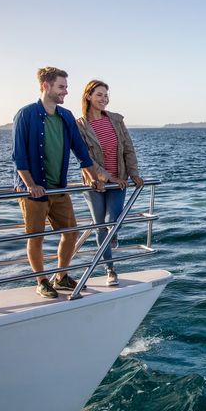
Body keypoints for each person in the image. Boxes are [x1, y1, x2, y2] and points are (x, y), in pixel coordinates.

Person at [13, 66, 104, 298]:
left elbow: (81, 151)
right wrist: (31, 185)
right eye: (61, 86)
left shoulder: (65, 116)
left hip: (59, 188)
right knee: (36, 237)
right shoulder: (26, 114)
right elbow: (19, 156)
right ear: (46, 86)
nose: (65, 91)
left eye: (66, 86)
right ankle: (42, 281)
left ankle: (61, 276)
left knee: (71, 232)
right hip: (33, 191)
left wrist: (94, 178)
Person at [76, 80, 144, 286]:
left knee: (112, 221)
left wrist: (133, 174)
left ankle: (112, 235)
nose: (104, 99)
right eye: (99, 95)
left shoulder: (115, 120)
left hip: (120, 180)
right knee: (101, 226)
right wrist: (107, 177)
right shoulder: (80, 125)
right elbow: (85, 157)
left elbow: (128, 148)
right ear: (88, 96)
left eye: (106, 95)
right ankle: (110, 269)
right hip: (95, 182)